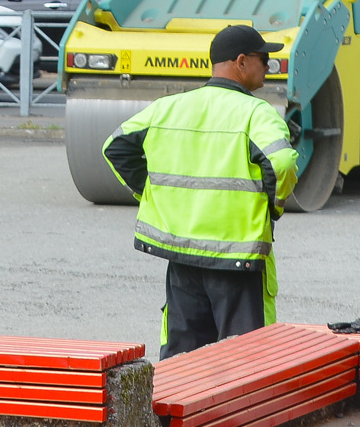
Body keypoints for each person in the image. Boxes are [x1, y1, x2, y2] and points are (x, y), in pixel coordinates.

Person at [102, 24, 299, 356]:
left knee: (182, 357)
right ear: (241, 61)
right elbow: (281, 164)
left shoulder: (169, 107)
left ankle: (174, 410)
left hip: (182, 253)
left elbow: (115, 146)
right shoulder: (256, 113)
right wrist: (272, 206)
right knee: (246, 360)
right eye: (263, 58)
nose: (269, 65)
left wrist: (154, 193)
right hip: (238, 257)